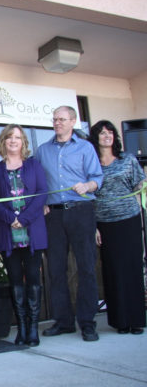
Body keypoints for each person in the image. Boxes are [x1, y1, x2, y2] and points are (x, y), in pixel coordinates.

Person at [36, 105, 103, 342]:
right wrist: (42, 201)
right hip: (53, 215)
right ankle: (63, 321)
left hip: (81, 211)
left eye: (62, 119)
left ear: (73, 121)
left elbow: (97, 178)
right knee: (56, 269)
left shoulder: (85, 148)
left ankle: (87, 322)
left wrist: (87, 186)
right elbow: (37, 182)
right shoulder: (42, 150)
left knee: (86, 267)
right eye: (54, 120)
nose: (57, 123)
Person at [0, 124, 48, 347]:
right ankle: (21, 329)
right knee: (15, 281)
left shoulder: (34, 165)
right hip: (8, 234)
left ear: (24, 142)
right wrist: (10, 219)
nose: (13, 141)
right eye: (9, 137)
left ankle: (33, 328)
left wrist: (23, 219)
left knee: (33, 279)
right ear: (3, 141)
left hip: (32, 231)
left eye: (18, 137)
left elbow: (42, 194)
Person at [89, 120, 146, 335]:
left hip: (129, 219)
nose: (107, 136)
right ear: (96, 138)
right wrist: (94, 227)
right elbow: (89, 197)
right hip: (104, 224)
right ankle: (120, 321)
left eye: (110, 132)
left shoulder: (128, 160)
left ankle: (136, 319)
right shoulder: (92, 165)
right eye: (102, 133)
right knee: (113, 270)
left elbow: (139, 184)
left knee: (132, 268)